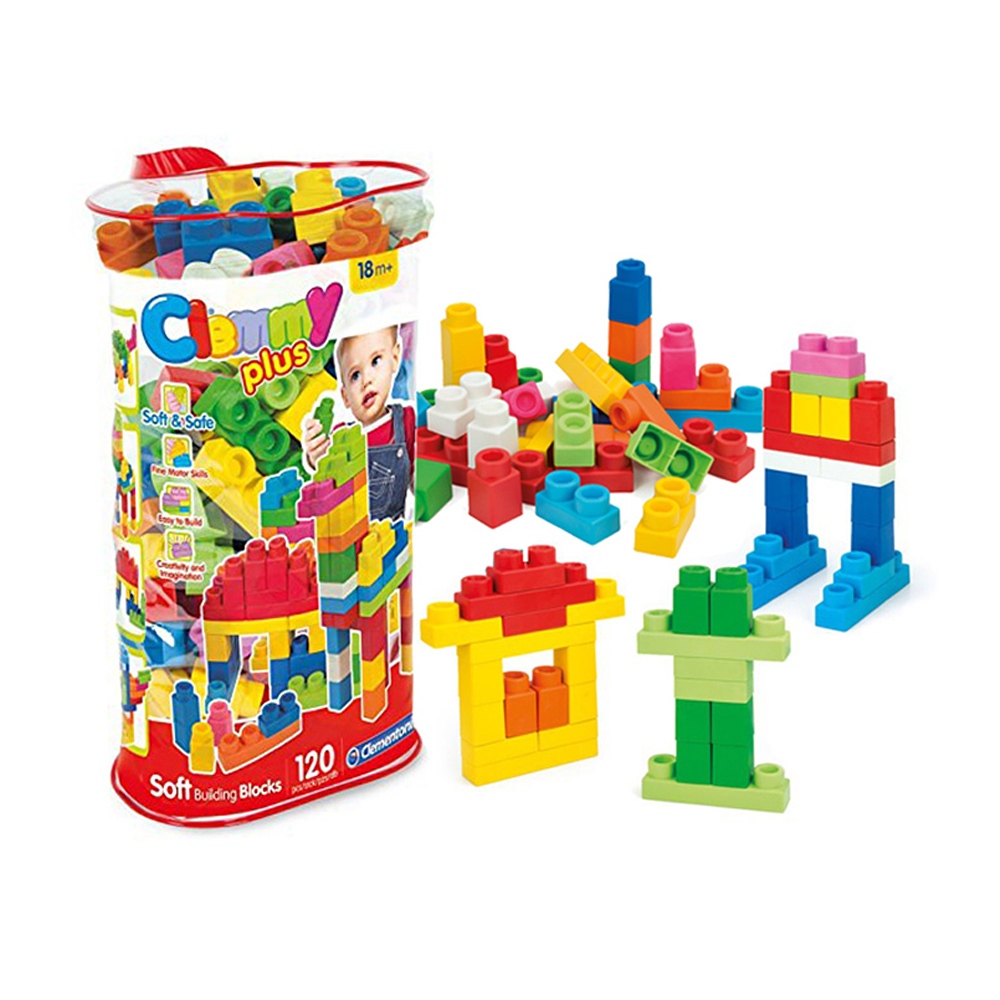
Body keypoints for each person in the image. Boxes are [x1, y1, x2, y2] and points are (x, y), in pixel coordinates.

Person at [302, 325, 414, 522]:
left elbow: (415, 476)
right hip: (348, 530)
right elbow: (326, 478)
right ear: (346, 397)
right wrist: (314, 456)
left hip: (393, 531)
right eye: (355, 375)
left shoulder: (406, 419)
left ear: (395, 359)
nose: (366, 381)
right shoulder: (340, 435)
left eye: (376, 361)